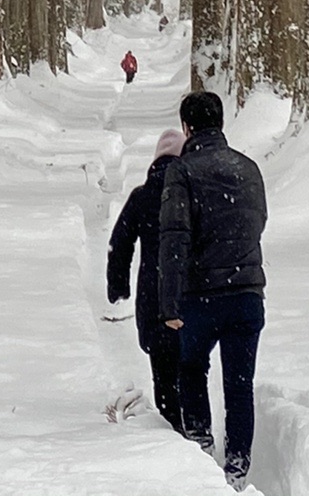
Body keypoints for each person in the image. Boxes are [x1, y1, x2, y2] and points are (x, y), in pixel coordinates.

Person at [158, 91, 267, 490]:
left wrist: (168, 303)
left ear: (187, 128)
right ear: (220, 123)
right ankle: (237, 469)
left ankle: (201, 448)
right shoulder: (249, 168)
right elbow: (258, 222)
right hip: (246, 295)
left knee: (191, 369)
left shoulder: (183, 171)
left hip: (200, 296)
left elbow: (174, 241)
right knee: (240, 386)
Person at [105, 129, 186, 429]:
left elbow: (120, 243)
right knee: (190, 367)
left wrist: (118, 287)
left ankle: (170, 426)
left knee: (162, 368)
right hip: (189, 294)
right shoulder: (191, 192)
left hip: (153, 295)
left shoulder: (143, 195)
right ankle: (195, 428)